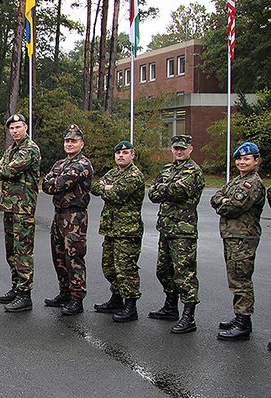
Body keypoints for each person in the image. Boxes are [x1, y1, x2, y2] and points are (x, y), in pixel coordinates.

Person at [147, 134, 205, 334]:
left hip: (183, 230)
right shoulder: (167, 169)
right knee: (163, 270)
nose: (179, 151)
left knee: (185, 274)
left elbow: (178, 191)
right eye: (176, 148)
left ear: (190, 149)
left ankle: (188, 317)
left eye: (183, 148)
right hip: (166, 228)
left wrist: (163, 188)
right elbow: (152, 194)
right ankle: (170, 307)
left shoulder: (193, 170)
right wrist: (165, 188)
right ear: (172, 149)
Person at [211, 142, 265, 341]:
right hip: (232, 236)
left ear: (256, 161)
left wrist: (224, 202)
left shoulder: (253, 183)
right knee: (235, 277)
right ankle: (240, 317)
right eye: (239, 159)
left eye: (246, 159)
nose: (242, 162)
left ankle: (243, 323)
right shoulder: (237, 181)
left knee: (241, 280)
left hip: (243, 237)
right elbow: (216, 197)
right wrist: (223, 200)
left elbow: (233, 206)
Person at [90, 141, 145, 322]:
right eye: (118, 153)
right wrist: (108, 187)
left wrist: (109, 188)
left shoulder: (135, 175)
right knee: (109, 267)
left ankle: (131, 306)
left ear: (132, 155)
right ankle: (116, 299)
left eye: (125, 153)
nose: (121, 156)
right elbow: (95, 187)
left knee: (126, 268)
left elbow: (118, 194)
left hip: (128, 230)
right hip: (111, 229)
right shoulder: (113, 173)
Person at [41, 124, 93, 316]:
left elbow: (62, 182)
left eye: (73, 141)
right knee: (59, 256)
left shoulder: (83, 164)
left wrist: (55, 181)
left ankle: (77, 298)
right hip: (59, 214)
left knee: (74, 257)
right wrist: (55, 182)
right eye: (67, 141)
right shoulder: (59, 163)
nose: (69, 144)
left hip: (75, 216)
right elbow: (46, 185)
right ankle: (64, 293)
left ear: (82, 143)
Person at [0, 114, 41, 312]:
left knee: (23, 252)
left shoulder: (30, 149)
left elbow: (9, 171)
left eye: (18, 127)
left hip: (23, 208)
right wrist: (4, 169)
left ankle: (25, 294)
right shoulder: (11, 149)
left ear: (26, 127)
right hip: (9, 207)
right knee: (11, 251)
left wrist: (5, 169)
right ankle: (15, 287)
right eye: (12, 128)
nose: (14, 131)